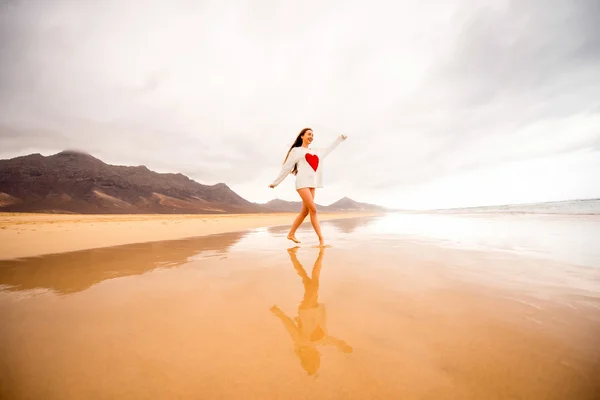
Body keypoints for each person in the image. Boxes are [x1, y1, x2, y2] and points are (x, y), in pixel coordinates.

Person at [270, 247, 352, 376]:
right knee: (309, 281)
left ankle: (319, 254)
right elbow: (337, 342)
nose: (314, 356)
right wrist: (344, 347)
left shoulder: (301, 342)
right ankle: (294, 255)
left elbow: (290, 327)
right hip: (315, 307)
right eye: (316, 359)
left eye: (312, 359)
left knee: (313, 285)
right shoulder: (322, 342)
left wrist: (278, 313)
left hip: (306, 309)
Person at [268, 128, 347, 246]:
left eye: (313, 135)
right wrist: (276, 182)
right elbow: (287, 167)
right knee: (314, 210)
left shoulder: (315, 152)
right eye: (309, 134)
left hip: (312, 184)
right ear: (302, 136)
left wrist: (339, 139)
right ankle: (321, 240)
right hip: (302, 183)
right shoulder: (296, 151)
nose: (311, 137)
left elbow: (329, 149)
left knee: (305, 212)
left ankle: (291, 234)